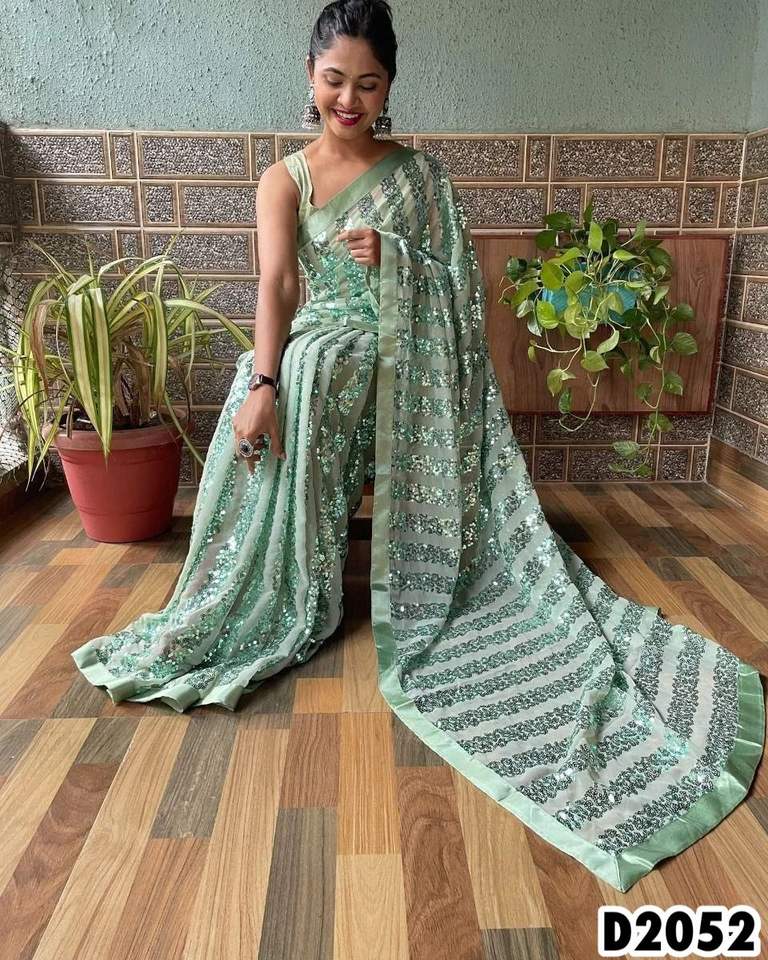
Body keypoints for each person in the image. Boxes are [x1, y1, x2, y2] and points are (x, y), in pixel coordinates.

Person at [70, 0, 765, 893]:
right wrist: (266, 381)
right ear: (309, 76)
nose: (348, 99)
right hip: (314, 343)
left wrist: (396, 257)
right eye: (334, 80)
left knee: (328, 367)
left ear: (389, 86)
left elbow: (463, 290)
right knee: (282, 372)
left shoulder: (421, 177)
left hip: (405, 352)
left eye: (367, 83)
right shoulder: (285, 179)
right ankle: (275, 583)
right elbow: (277, 285)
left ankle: (361, 562)